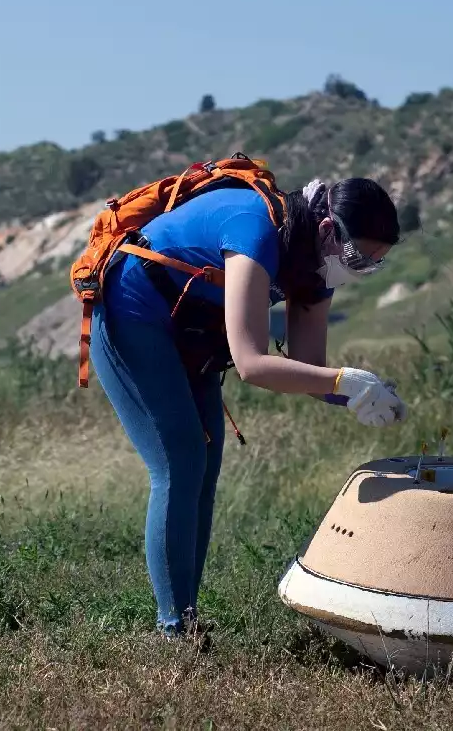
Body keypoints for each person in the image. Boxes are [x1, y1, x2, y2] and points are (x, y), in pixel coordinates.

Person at [87, 174, 407, 639]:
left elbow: (310, 372)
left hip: (187, 331)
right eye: (358, 257)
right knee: (180, 462)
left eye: (374, 265)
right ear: (326, 229)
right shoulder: (255, 231)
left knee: (205, 466)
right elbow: (254, 365)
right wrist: (344, 381)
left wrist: (361, 392)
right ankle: (175, 631)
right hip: (130, 310)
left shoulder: (318, 268)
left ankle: (186, 618)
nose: (358, 271)